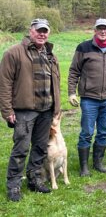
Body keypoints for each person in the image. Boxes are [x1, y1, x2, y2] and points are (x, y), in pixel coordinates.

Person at [0, 19, 60, 202]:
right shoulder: (14, 53)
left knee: (41, 148)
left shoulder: (50, 55)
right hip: (24, 111)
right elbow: (4, 83)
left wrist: (57, 107)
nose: (42, 34)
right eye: (38, 31)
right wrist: (7, 110)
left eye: (45, 31)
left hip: (46, 111)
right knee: (21, 149)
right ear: (31, 31)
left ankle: (35, 180)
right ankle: (14, 185)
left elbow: (55, 83)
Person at [68, 18, 106, 177]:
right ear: (95, 30)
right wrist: (71, 92)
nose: (103, 31)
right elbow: (73, 71)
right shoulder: (83, 47)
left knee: (104, 132)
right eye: (100, 29)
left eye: (105, 29)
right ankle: (84, 167)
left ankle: (98, 163)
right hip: (89, 99)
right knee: (87, 132)